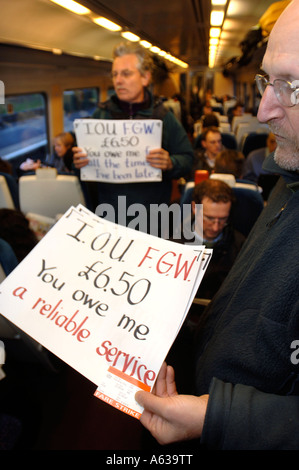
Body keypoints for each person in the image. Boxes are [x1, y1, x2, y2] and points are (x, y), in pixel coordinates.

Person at [135, 0, 299, 450]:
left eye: (292, 87)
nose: (264, 110)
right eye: (267, 81)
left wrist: (215, 418)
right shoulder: (289, 175)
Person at [73, 42, 194, 224]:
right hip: (109, 215)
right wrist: (79, 162)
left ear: (145, 78)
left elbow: (188, 159)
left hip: (152, 217)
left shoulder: (163, 117)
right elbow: (84, 165)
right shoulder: (101, 116)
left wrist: (171, 163)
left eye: (126, 74)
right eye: (115, 74)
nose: (118, 80)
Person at [179, 179, 245, 300]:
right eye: (209, 218)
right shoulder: (173, 243)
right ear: (195, 208)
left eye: (223, 219)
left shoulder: (240, 246)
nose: (215, 227)